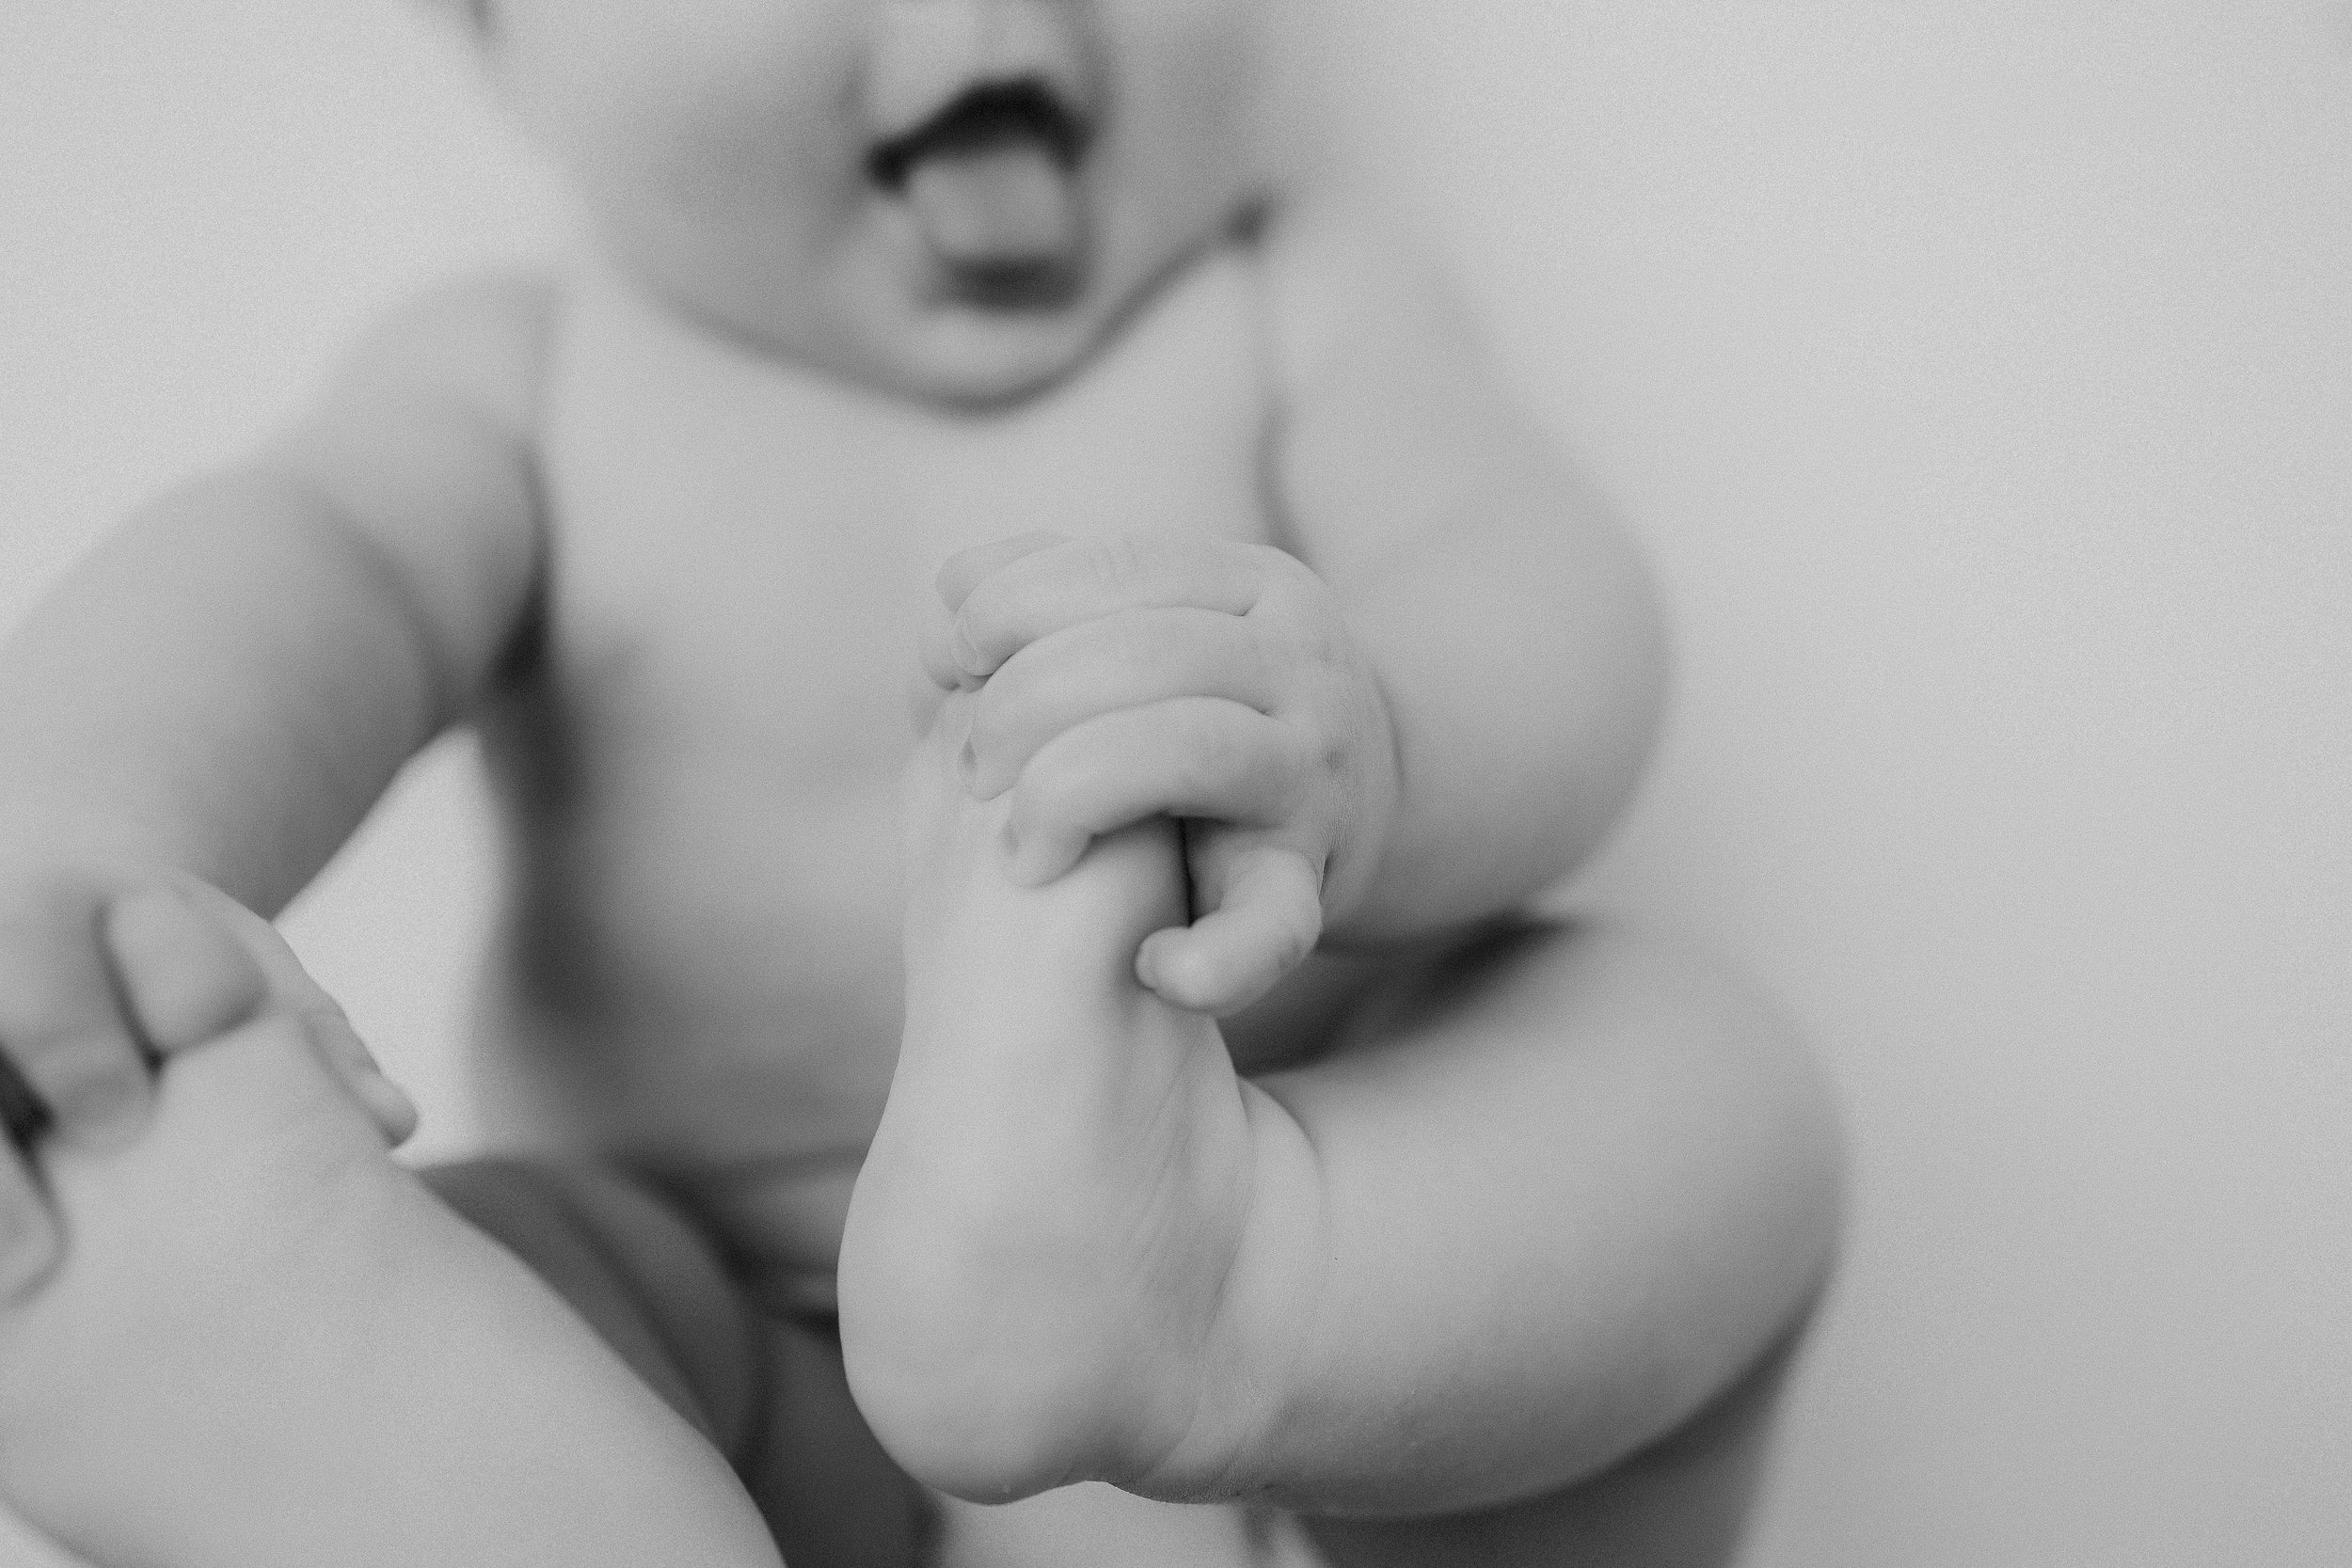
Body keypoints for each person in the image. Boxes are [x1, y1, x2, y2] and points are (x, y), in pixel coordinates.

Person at [0, 2, 1841, 1562]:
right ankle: (425, 1448)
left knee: (1687, 1071)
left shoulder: (1301, 300)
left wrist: (1376, 752)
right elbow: (302, 571)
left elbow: (1533, 595)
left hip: (1363, 1403)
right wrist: (87, 829)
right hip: (732, 1402)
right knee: (504, 1273)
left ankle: (1217, 1286)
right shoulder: (520, 379)